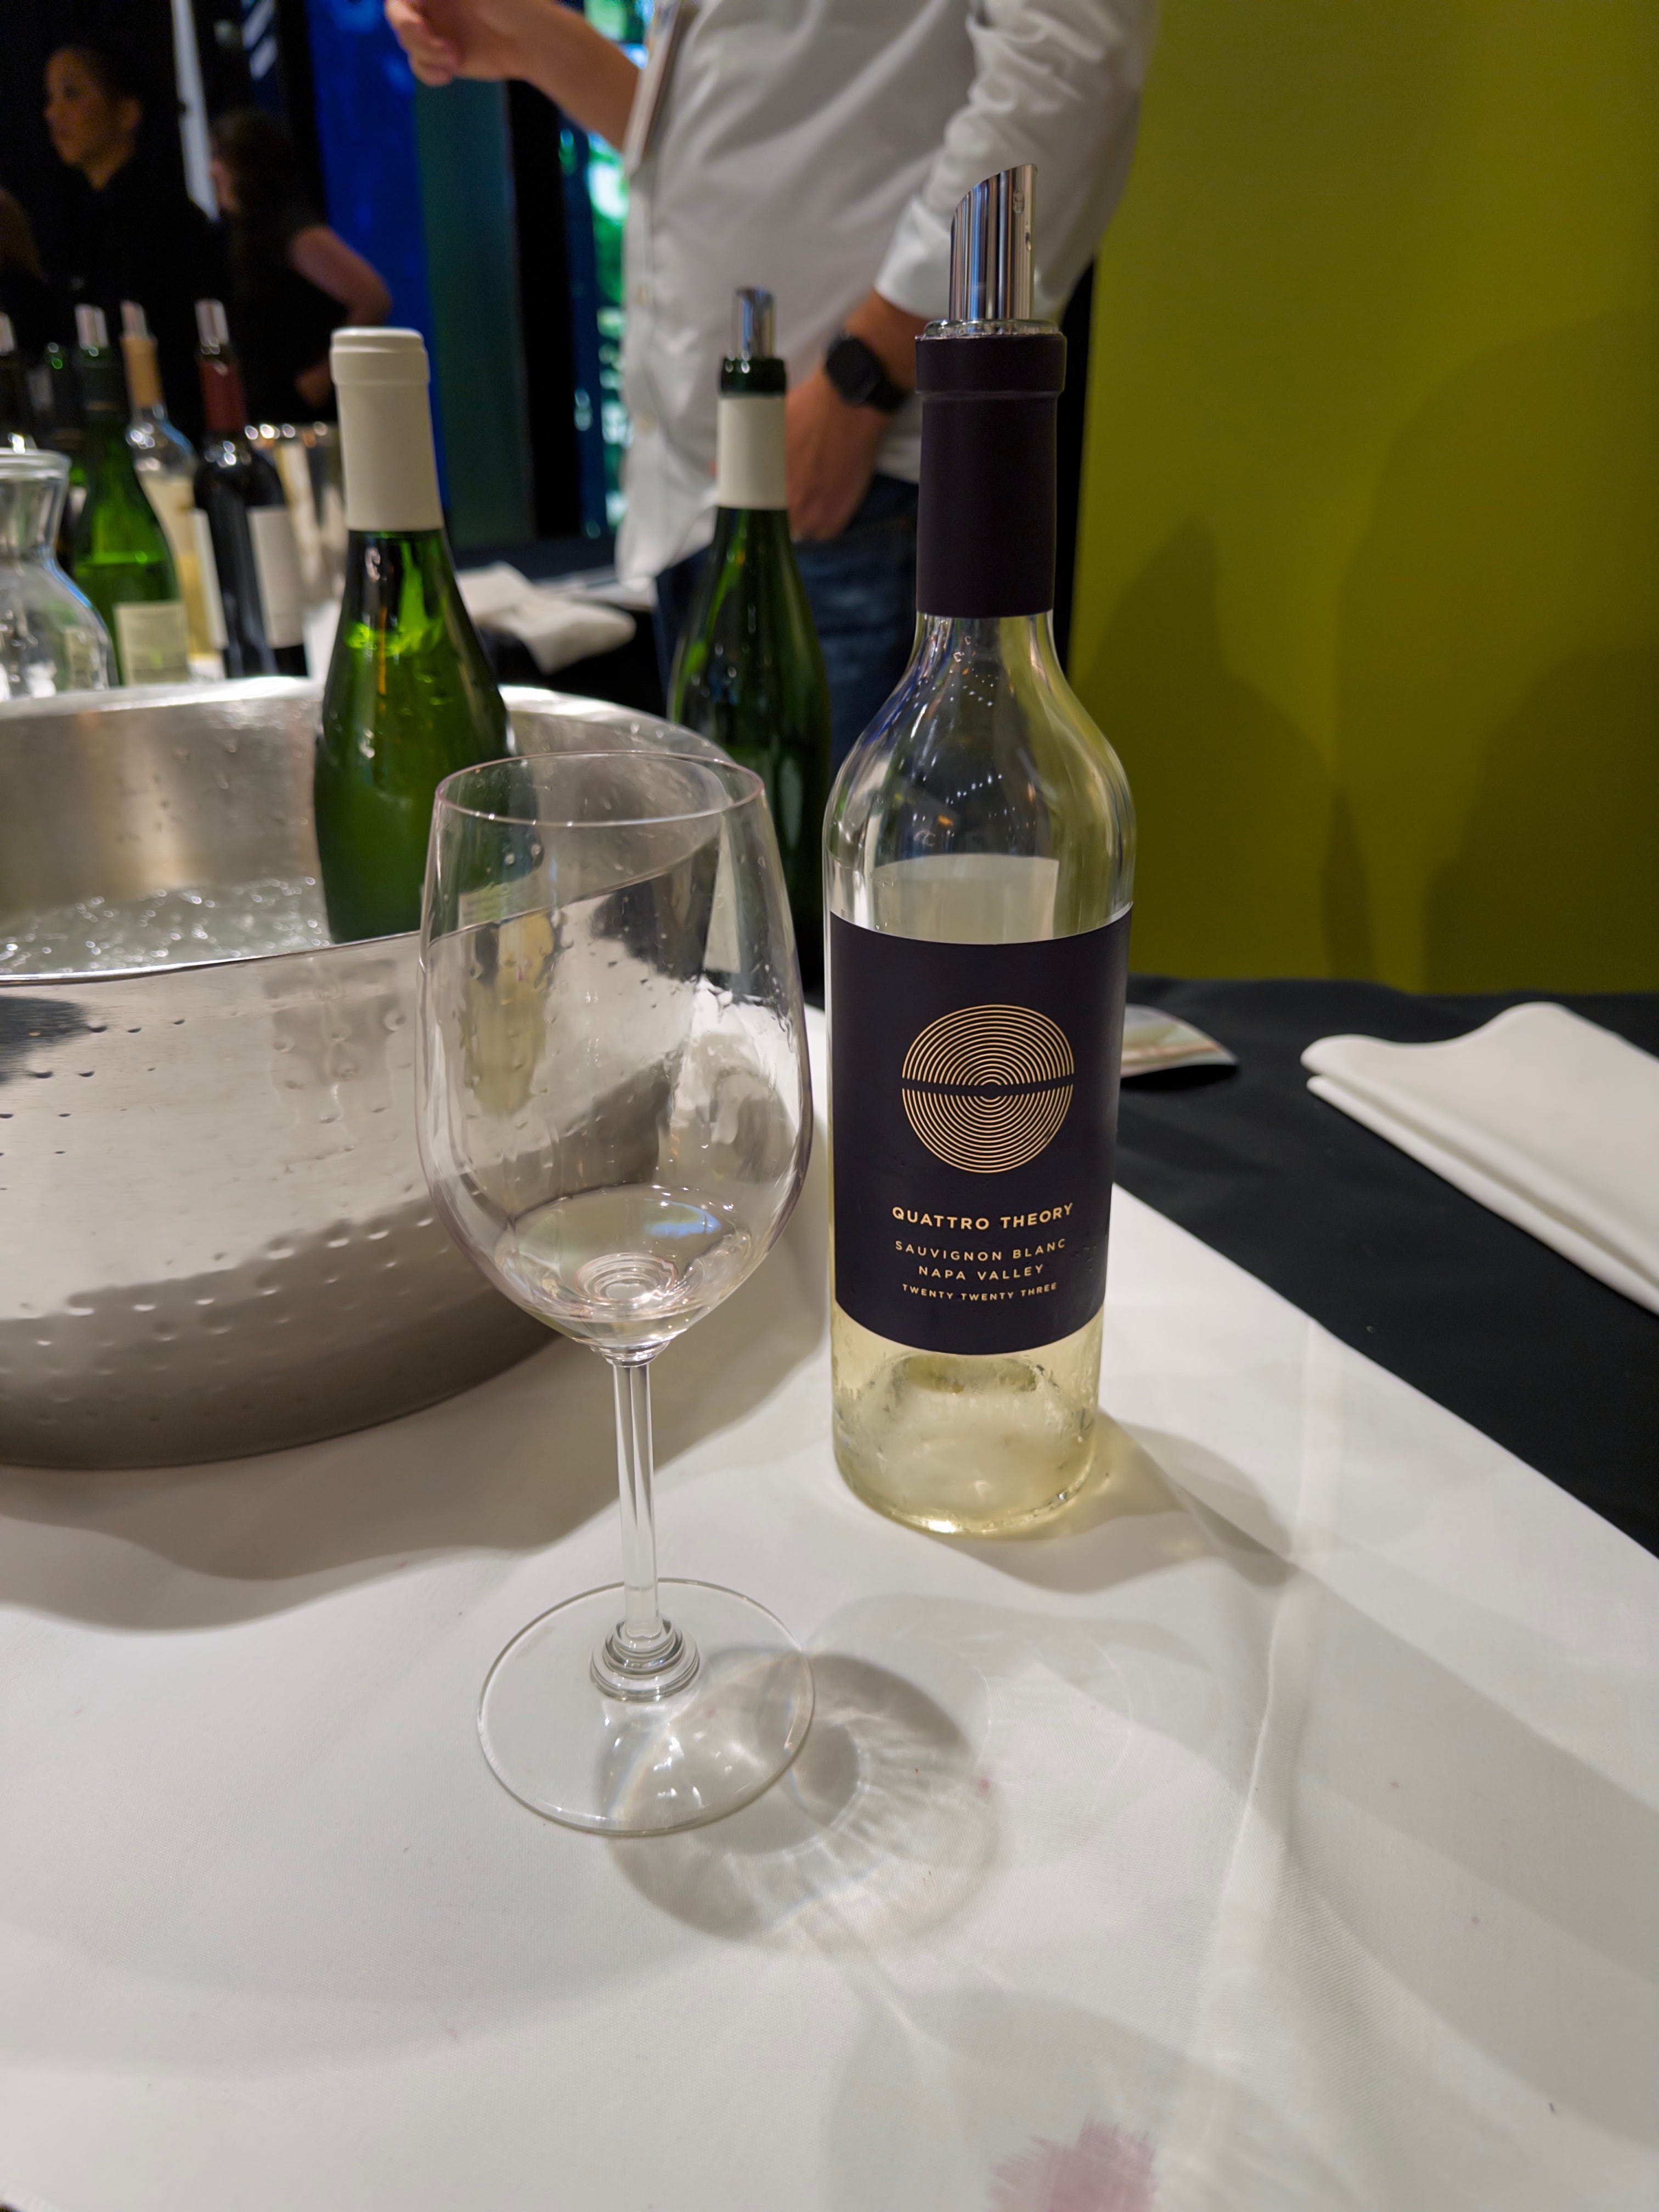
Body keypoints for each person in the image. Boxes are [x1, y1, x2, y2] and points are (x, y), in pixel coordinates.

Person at [386, 0, 1153, 765]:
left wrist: (865, 379)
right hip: (695, 500)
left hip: (854, 482)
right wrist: (546, 50)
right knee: (738, 836)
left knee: (856, 837)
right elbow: (726, 144)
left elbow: (1071, 56)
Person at [43, 40, 224, 441]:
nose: (53, 113)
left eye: (72, 93)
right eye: (50, 98)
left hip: (176, 440)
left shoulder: (167, 219)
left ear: (127, 112)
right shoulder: (86, 222)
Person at [209, 109, 392, 424]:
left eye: (222, 158)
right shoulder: (246, 233)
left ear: (252, 166)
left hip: (309, 421)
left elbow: (374, 299)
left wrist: (320, 381)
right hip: (272, 411)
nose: (213, 170)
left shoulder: (294, 230)